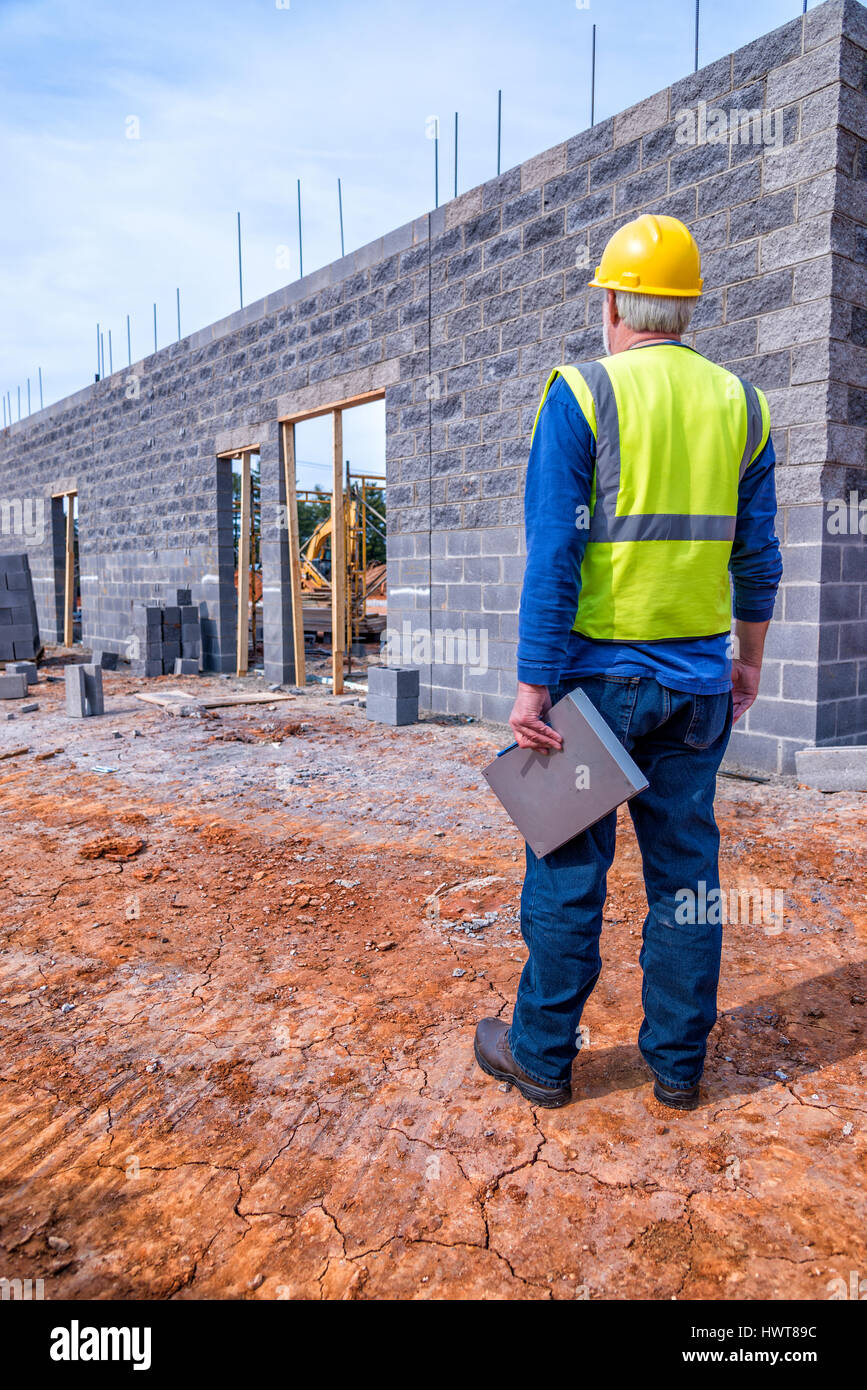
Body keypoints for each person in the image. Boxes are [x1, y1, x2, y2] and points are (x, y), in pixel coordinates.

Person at [474, 213, 782, 1111]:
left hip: (594, 692)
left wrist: (533, 683)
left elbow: (553, 557)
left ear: (611, 302)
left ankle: (540, 1057)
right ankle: (678, 1068)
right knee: (686, 877)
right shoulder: (742, 405)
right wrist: (746, 661)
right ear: (686, 308)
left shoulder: (581, 392)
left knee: (569, 871)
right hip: (697, 689)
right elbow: (756, 556)